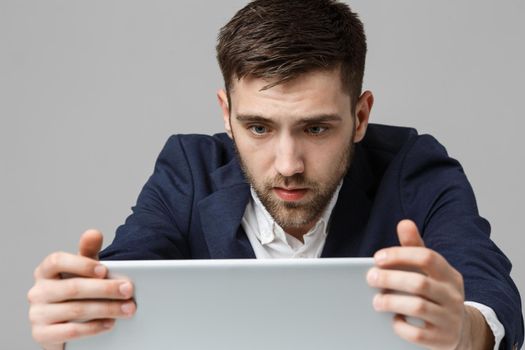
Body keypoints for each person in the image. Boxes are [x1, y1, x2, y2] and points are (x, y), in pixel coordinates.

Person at [27, 1, 523, 349]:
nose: (288, 164)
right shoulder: (188, 169)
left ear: (361, 116)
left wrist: (461, 333)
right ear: (226, 114)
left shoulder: (415, 167)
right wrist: (77, 319)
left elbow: (489, 291)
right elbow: (130, 275)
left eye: (316, 127)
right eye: (259, 127)